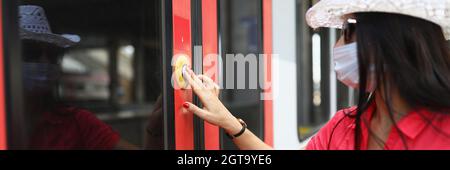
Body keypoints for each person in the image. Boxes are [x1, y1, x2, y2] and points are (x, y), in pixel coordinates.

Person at [181, 0, 450, 150]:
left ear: (388, 40)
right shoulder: (343, 125)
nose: (337, 47)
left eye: (346, 31)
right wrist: (230, 123)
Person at [20, 5, 140, 150]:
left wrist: (153, 130)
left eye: (52, 55)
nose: (45, 62)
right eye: (31, 52)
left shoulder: (77, 122)